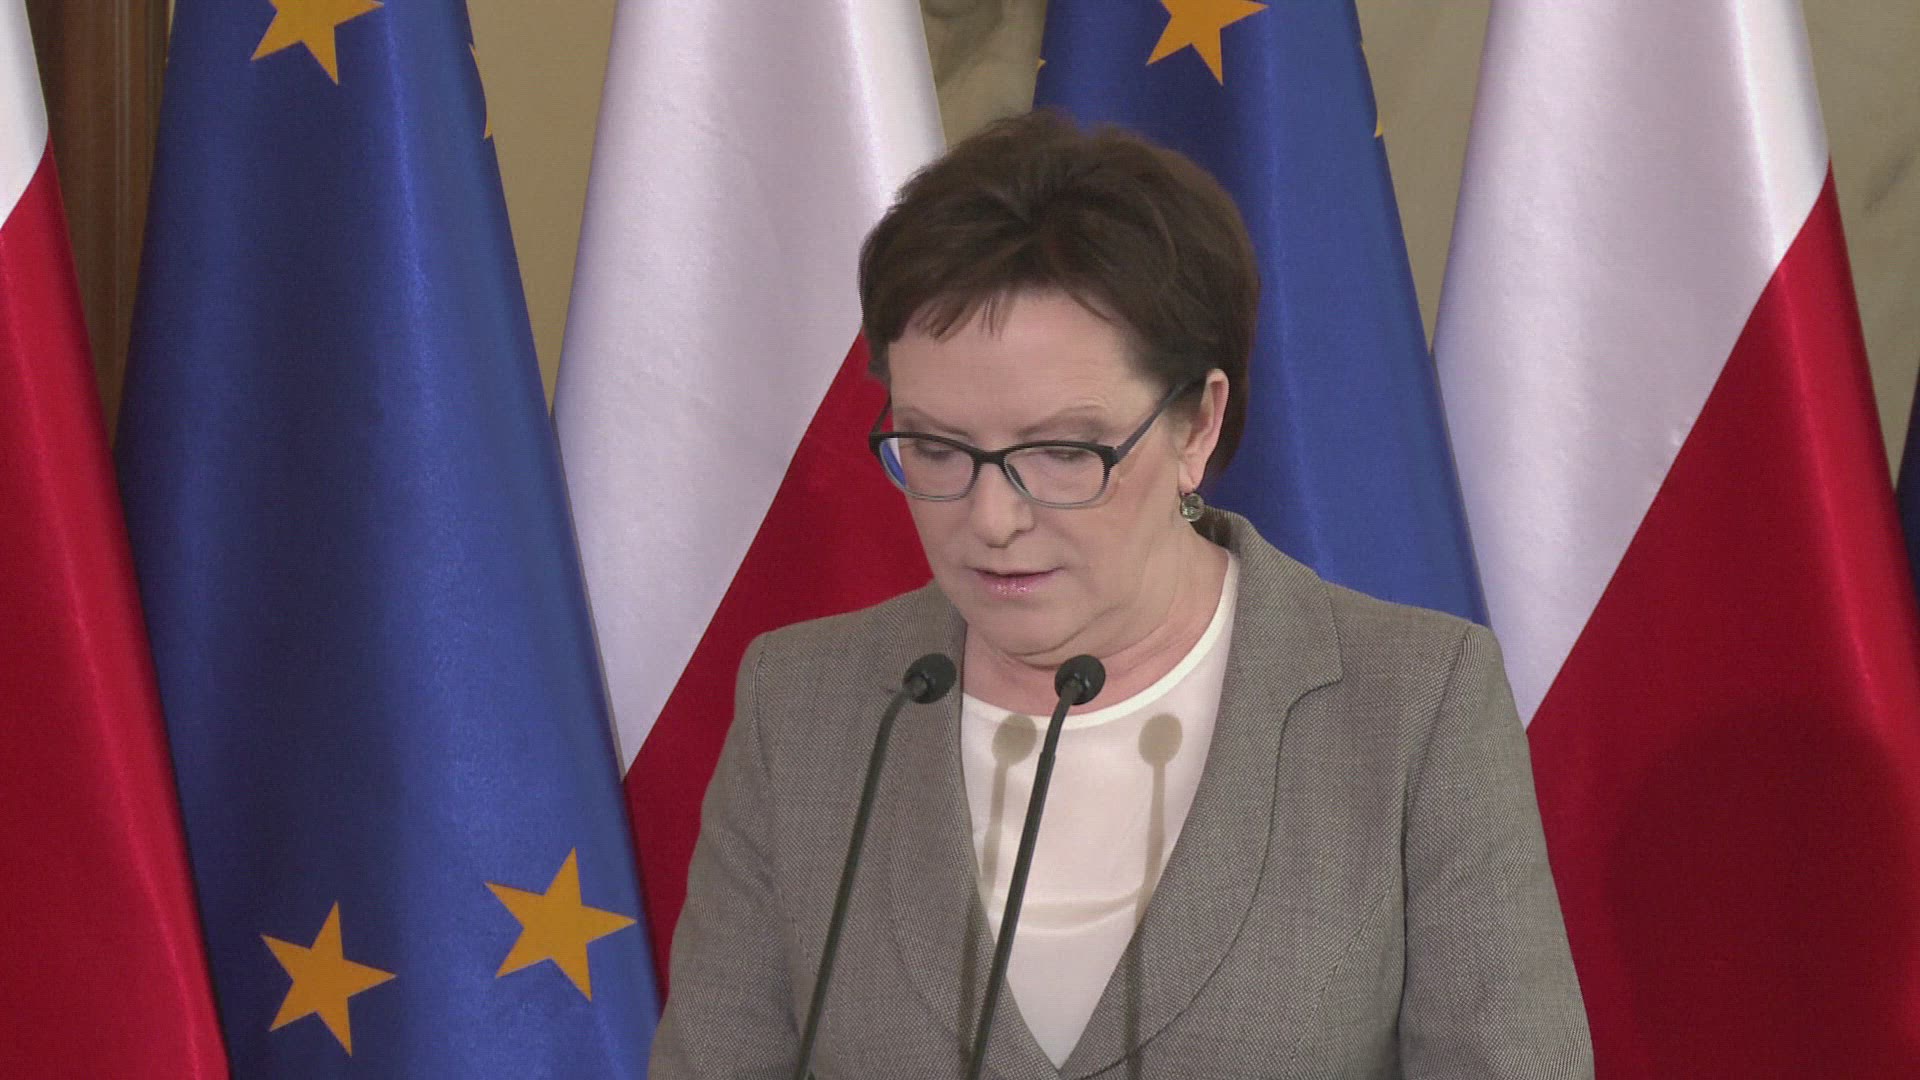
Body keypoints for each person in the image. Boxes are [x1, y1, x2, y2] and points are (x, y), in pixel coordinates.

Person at [650, 111, 1592, 1079]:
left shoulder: (1413, 705)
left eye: (1062, 452)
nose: (991, 519)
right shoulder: (803, 705)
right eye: (935, 447)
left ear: (1197, 426)